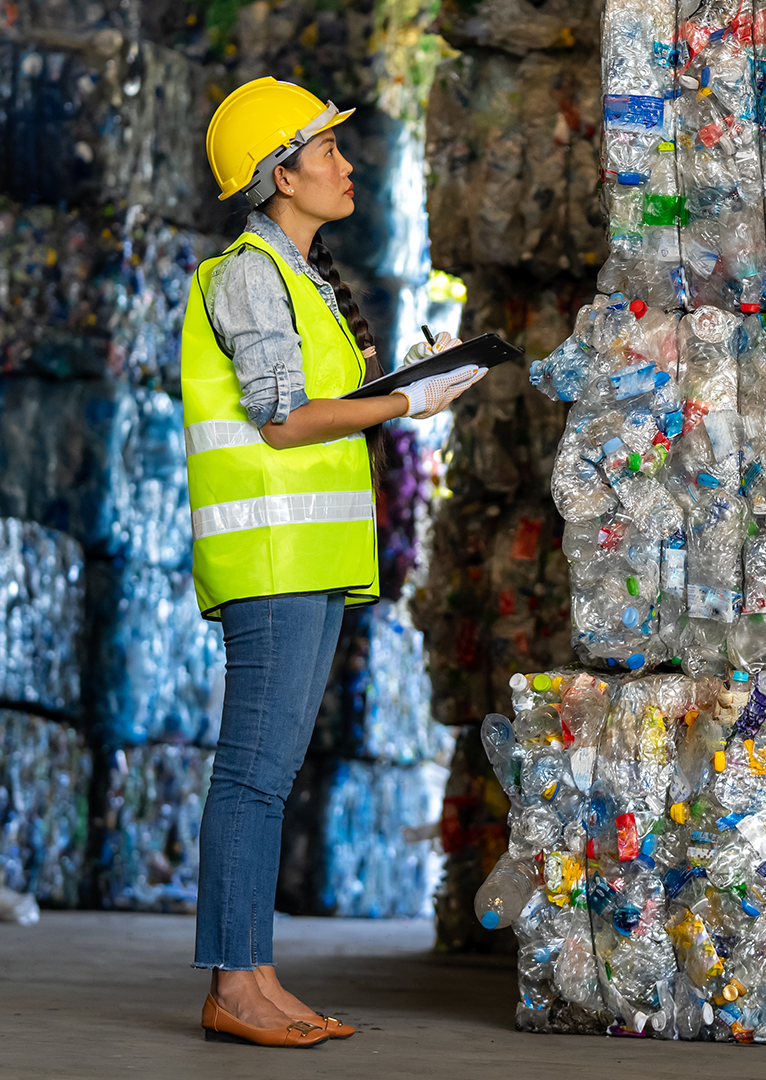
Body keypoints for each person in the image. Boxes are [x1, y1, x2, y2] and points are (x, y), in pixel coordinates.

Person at [180, 78, 487, 1048]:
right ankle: (234, 987)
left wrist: (413, 374)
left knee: (271, 775)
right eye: (327, 152)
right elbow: (283, 421)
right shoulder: (245, 275)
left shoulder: (302, 280)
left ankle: (256, 974)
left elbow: (315, 402)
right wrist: (410, 406)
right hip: (268, 557)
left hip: (307, 556)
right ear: (280, 172)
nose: (346, 165)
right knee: (252, 774)